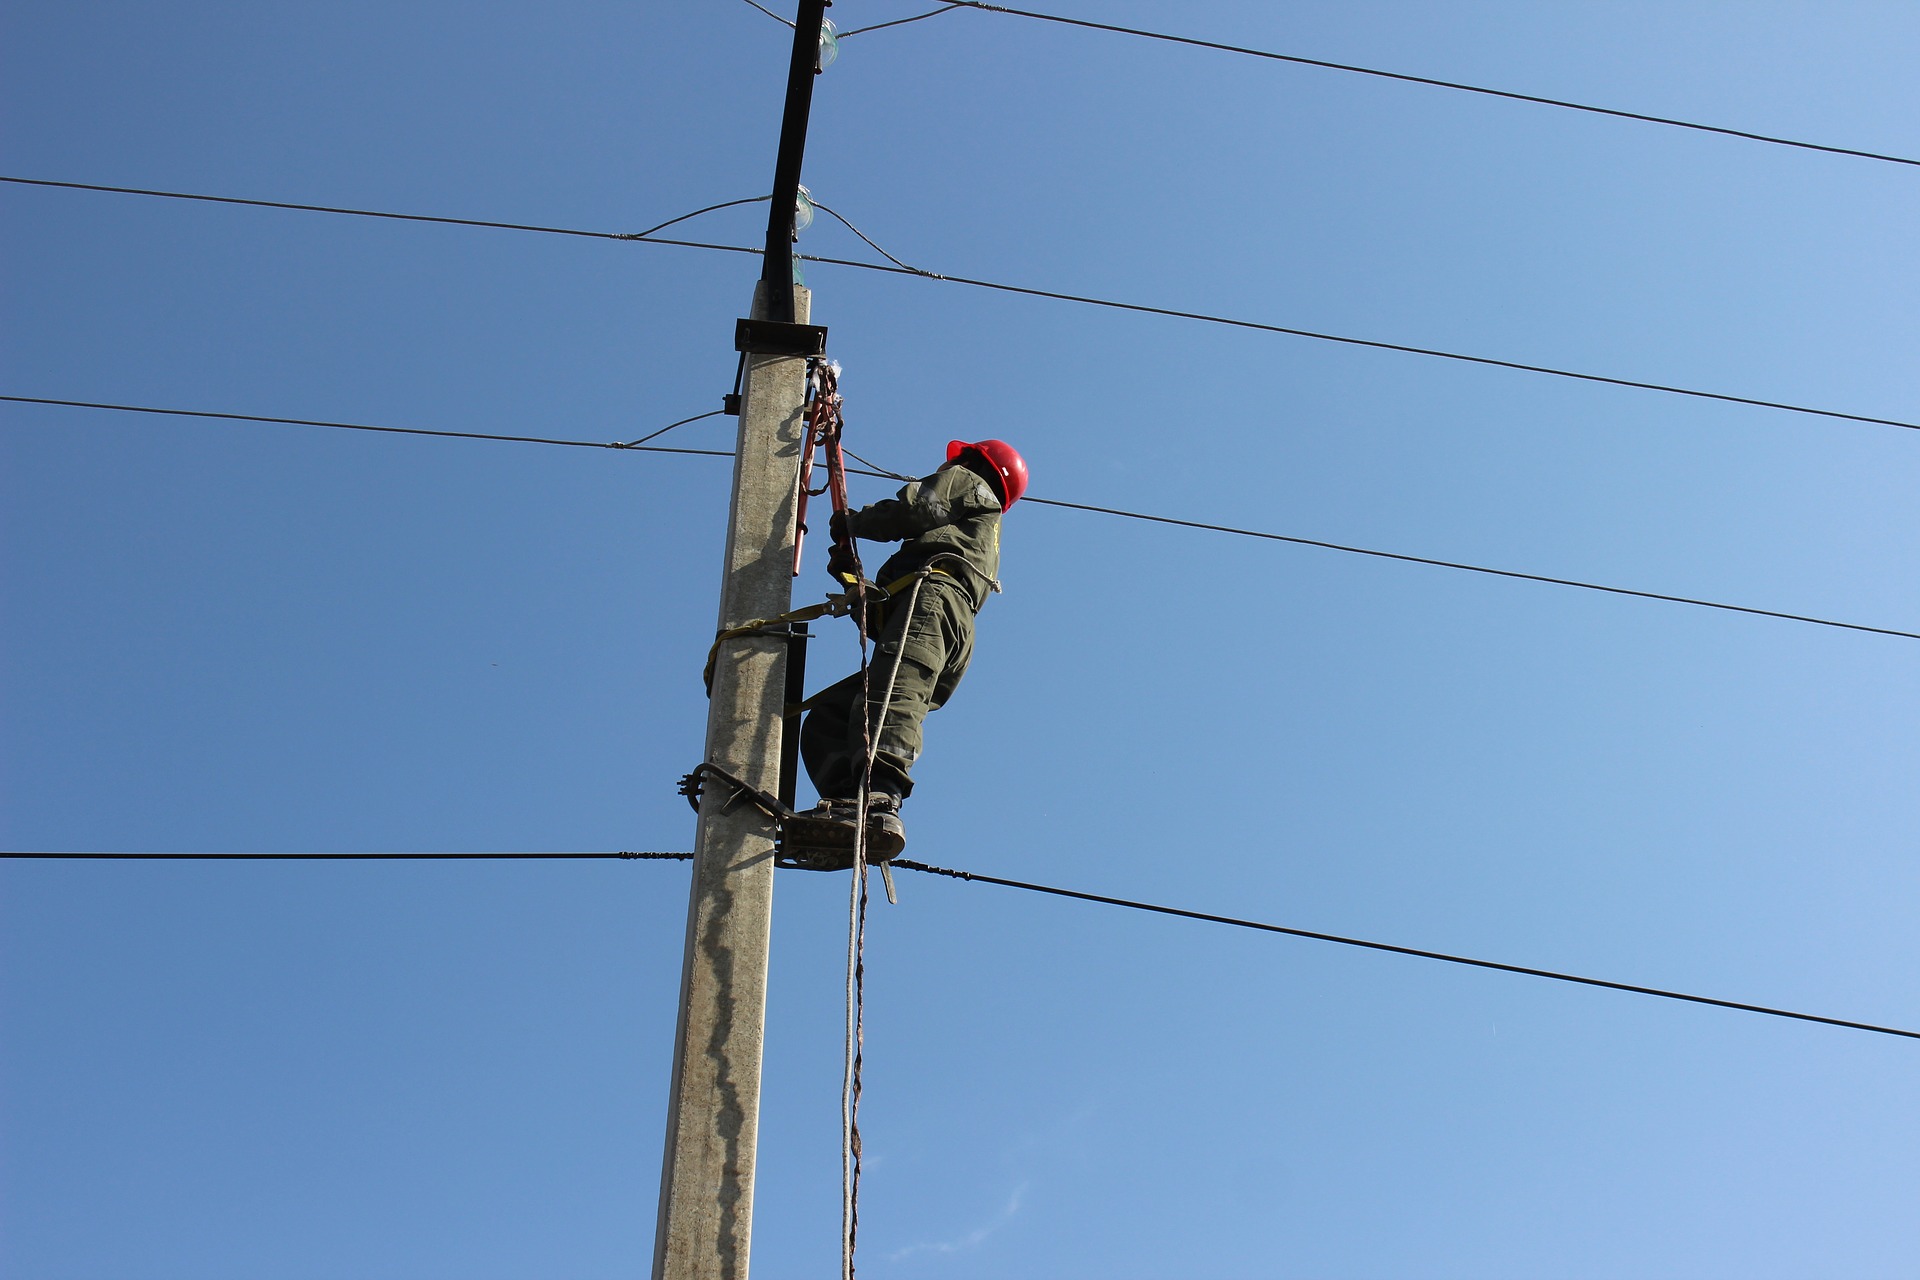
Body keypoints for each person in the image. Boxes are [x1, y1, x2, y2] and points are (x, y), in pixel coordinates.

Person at [796, 438, 1028, 858]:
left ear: (976, 461)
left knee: (891, 696)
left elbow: (917, 508)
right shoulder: (976, 535)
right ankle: (847, 804)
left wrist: (856, 522)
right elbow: (889, 629)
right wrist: (855, 583)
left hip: (935, 600)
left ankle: (880, 800)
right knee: (832, 715)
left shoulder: (971, 482)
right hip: (948, 623)